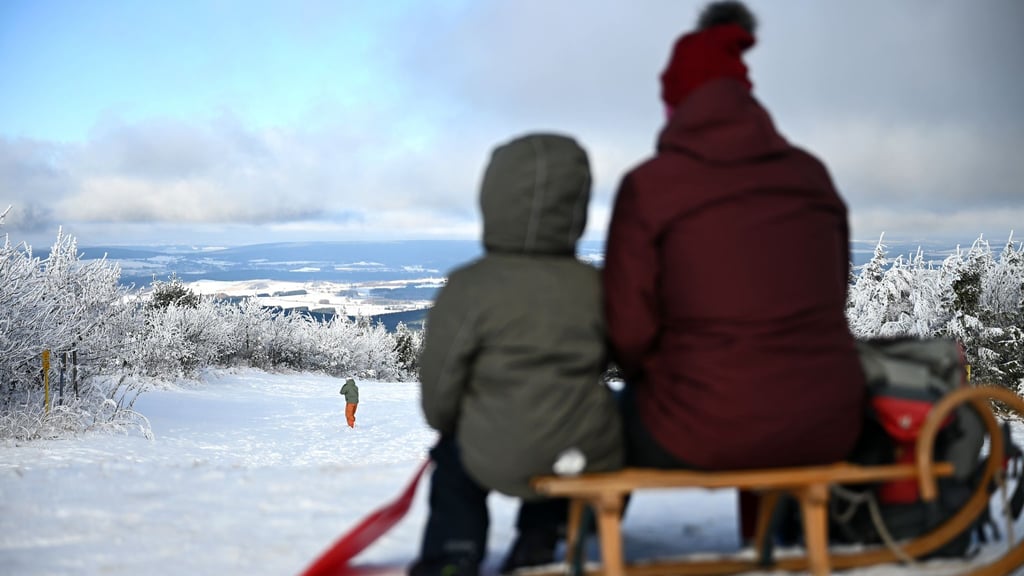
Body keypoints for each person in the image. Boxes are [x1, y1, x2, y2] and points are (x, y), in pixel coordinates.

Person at [602, 1, 865, 540]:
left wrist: (661, 371)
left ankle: (570, 538)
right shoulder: (811, 176)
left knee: (603, 415)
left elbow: (627, 331)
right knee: (766, 393)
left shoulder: (651, 186)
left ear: (677, 102)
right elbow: (832, 295)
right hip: (828, 423)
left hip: (695, 427)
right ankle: (776, 534)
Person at [410, 133, 624, 576]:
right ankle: (543, 538)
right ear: (577, 204)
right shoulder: (597, 286)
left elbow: (441, 388)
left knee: (452, 462)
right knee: (594, 435)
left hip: (492, 449)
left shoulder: (470, 286)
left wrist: (451, 428)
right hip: (582, 451)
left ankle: (454, 553)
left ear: (492, 197)